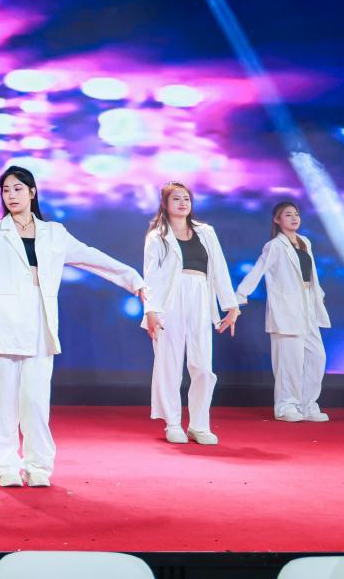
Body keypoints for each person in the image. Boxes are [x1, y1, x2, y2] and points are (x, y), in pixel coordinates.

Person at [0, 166, 146, 488]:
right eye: (6, 190)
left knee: (35, 402)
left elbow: (93, 258)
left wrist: (134, 281)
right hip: (3, 325)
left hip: (40, 327)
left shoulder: (55, 234)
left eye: (18, 188)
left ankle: (38, 466)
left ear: (32, 192)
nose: (11, 195)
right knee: (0, 403)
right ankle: (5, 466)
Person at [142, 181, 240, 445]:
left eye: (186, 198)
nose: (183, 203)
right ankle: (173, 423)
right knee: (169, 363)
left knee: (203, 365)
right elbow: (151, 277)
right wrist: (151, 311)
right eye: (176, 198)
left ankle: (199, 424)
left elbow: (219, 269)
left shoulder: (206, 232)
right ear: (165, 204)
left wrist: (230, 305)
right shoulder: (157, 236)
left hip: (200, 295)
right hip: (169, 301)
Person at [235, 200, 331, 423]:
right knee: (290, 361)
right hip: (286, 309)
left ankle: (308, 404)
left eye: (296, 214)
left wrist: (319, 295)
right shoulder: (274, 246)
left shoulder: (305, 242)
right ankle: (286, 405)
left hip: (308, 304)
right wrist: (239, 296)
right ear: (277, 220)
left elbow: (312, 275)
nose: (294, 218)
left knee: (317, 357)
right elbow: (258, 270)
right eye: (288, 215)